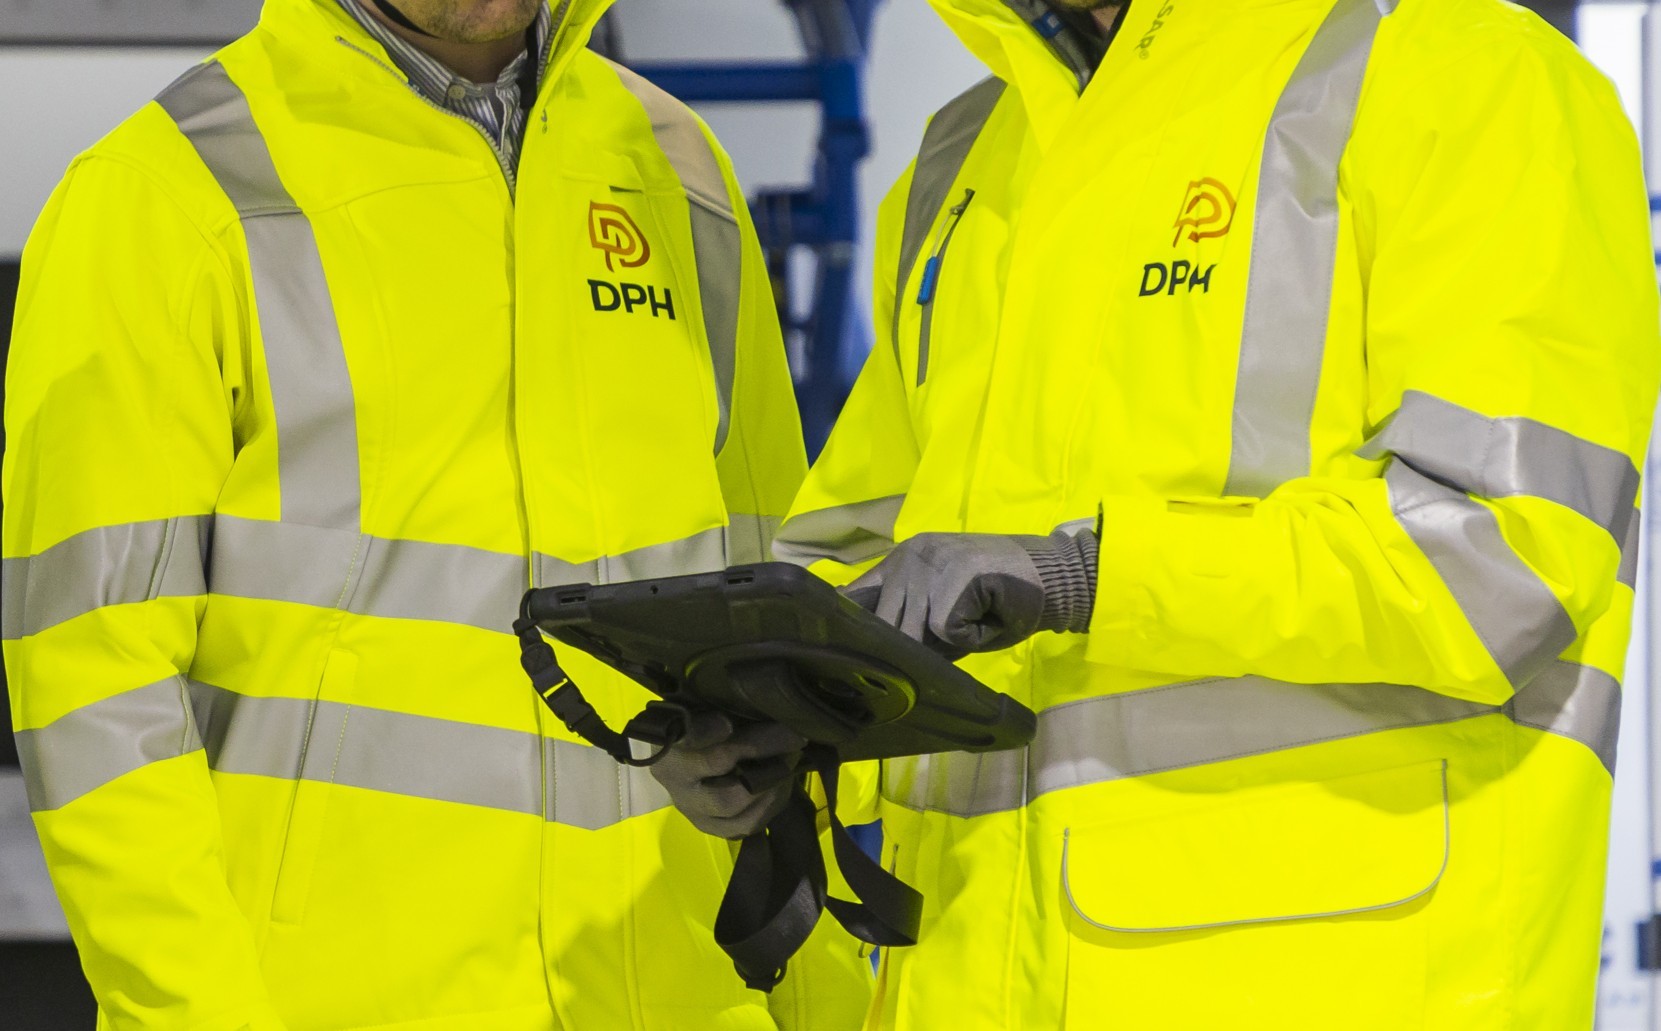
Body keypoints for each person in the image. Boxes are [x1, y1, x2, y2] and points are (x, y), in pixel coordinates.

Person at [662, 0, 1661, 1026]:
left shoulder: (1466, 74)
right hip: (967, 979)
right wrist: (778, 714)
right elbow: (867, 552)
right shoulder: (966, 153)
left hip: (1324, 984)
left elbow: (1502, 559)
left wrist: (1088, 574)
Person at [0, 0, 871, 1027]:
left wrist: (825, 1005)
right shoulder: (165, 194)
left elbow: (773, 614)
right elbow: (94, 684)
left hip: (673, 994)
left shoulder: (677, 172)